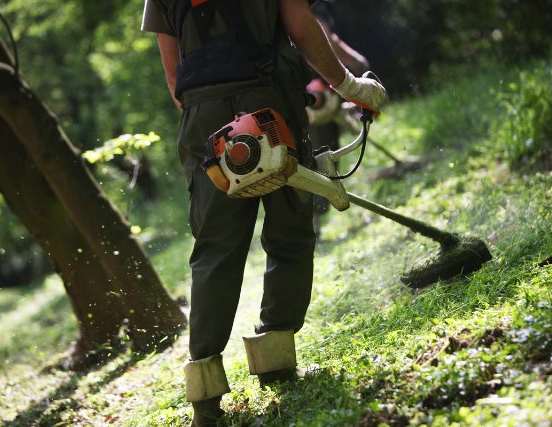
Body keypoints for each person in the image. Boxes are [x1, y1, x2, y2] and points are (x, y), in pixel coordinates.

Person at [141, 0, 386, 425]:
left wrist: (209, 111)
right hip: (268, 95)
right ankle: (275, 357)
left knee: (215, 246)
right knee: (289, 228)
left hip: (202, 112)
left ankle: (204, 392)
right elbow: (301, 27)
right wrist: (349, 86)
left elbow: (173, 72)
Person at [306, 0, 371, 237]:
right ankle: (311, 223)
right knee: (322, 156)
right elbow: (323, 38)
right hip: (316, 99)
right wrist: (357, 64)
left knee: (317, 155)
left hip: (313, 94)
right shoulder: (314, 7)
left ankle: (312, 221)